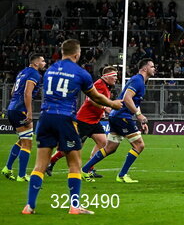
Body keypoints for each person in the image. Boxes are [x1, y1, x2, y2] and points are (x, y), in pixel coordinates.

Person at [22, 39, 123, 215]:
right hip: (65, 118)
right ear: (77, 54)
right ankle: (75, 206)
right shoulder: (81, 73)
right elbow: (96, 97)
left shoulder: (50, 70)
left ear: (62, 53)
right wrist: (113, 104)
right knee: (75, 164)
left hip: (45, 118)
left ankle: (29, 206)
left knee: (39, 165)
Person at [82, 58, 156, 183]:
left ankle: (84, 170)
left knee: (110, 148)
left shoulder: (140, 81)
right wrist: (139, 115)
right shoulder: (138, 80)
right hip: (122, 116)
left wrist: (140, 118)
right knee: (139, 145)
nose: (154, 69)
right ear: (144, 68)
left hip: (116, 116)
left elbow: (134, 102)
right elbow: (127, 98)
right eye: (152, 66)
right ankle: (122, 175)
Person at [47, 66, 118, 179]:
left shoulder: (106, 86)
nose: (116, 78)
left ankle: (89, 168)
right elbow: (91, 99)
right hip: (84, 120)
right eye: (114, 76)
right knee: (72, 146)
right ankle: (50, 161)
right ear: (106, 76)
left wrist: (102, 111)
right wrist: (105, 107)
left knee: (103, 143)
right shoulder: (99, 84)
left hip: (94, 121)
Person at [3, 54, 45, 182]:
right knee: (27, 143)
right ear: (36, 63)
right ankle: (21, 175)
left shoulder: (22, 72)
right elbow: (27, 93)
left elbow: (12, 92)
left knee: (22, 140)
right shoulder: (34, 74)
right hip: (20, 110)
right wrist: (29, 112)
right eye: (42, 61)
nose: (44, 63)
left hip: (12, 108)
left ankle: (8, 168)